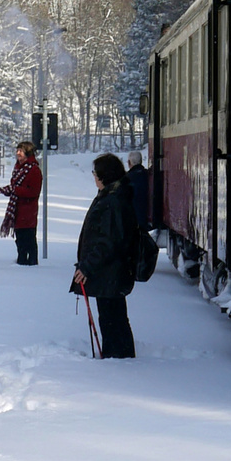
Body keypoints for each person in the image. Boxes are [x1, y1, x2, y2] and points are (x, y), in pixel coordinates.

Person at [72, 153, 138, 359]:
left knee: (112, 319)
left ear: (104, 176)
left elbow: (107, 243)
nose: (94, 177)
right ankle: (118, 357)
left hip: (109, 272)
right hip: (109, 272)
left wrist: (87, 267)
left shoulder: (112, 201)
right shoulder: (111, 195)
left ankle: (117, 360)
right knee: (113, 317)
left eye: (95, 173)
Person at [0, 141, 43, 265]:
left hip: (28, 211)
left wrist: (15, 190)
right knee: (19, 239)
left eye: (20, 151)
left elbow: (34, 192)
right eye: (17, 150)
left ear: (27, 153)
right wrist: (8, 190)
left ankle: (30, 264)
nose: (17, 153)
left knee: (28, 239)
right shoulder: (17, 169)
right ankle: (21, 261)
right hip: (17, 210)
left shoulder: (34, 170)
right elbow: (14, 187)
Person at [124, 151, 151, 230]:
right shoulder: (148, 175)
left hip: (132, 220)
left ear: (129, 163)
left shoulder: (126, 179)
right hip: (147, 218)